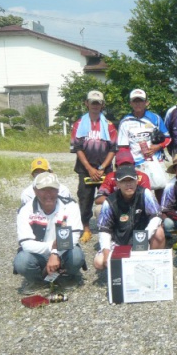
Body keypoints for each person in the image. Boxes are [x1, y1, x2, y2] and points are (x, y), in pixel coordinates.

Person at [14, 172, 85, 284]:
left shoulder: (71, 206)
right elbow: (26, 243)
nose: (48, 194)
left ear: (58, 190)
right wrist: (52, 249)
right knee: (22, 261)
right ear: (35, 191)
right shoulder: (25, 210)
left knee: (76, 255)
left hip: (63, 252)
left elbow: (74, 237)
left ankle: (66, 277)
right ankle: (38, 282)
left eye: (52, 189)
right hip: (37, 255)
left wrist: (56, 253)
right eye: (43, 190)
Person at [94, 165, 165, 270]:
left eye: (131, 180)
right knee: (99, 262)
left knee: (159, 232)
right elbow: (104, 229)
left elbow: (156, 216)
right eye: (124, 181)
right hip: (119, 241)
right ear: (117, 184)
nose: (128, 184)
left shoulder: (145, 193)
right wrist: (106, 253)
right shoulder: (109, 202)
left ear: (137, 181)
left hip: (142, 239)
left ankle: (153, 265)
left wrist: (143, 237)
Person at [70, 90, 117, 243]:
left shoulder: (109, 125)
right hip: (85, 170)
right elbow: (77, 148)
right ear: (86, 103)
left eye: (98, 103)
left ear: (102, 105)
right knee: (85, 199)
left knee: (108, 199)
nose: (95, 105)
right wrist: (90, 169)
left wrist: (102, 167)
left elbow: (113, 148)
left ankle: (110, 226)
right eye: (92, 102)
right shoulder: (79, 124)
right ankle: (86, 228)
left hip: (105, 168)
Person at [117, 88, 171, 196]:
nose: (138, 104)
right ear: (130, 103)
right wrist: (126, 164)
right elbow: (123, 147)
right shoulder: (125, 121)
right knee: (140, 193)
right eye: (135, 101)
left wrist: (158, 147)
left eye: (140, 100)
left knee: (161, 188)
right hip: (136, 163)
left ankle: (162, 212)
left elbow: (168, 138)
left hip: (155, 160)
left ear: (146, 102)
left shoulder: (155, 118)